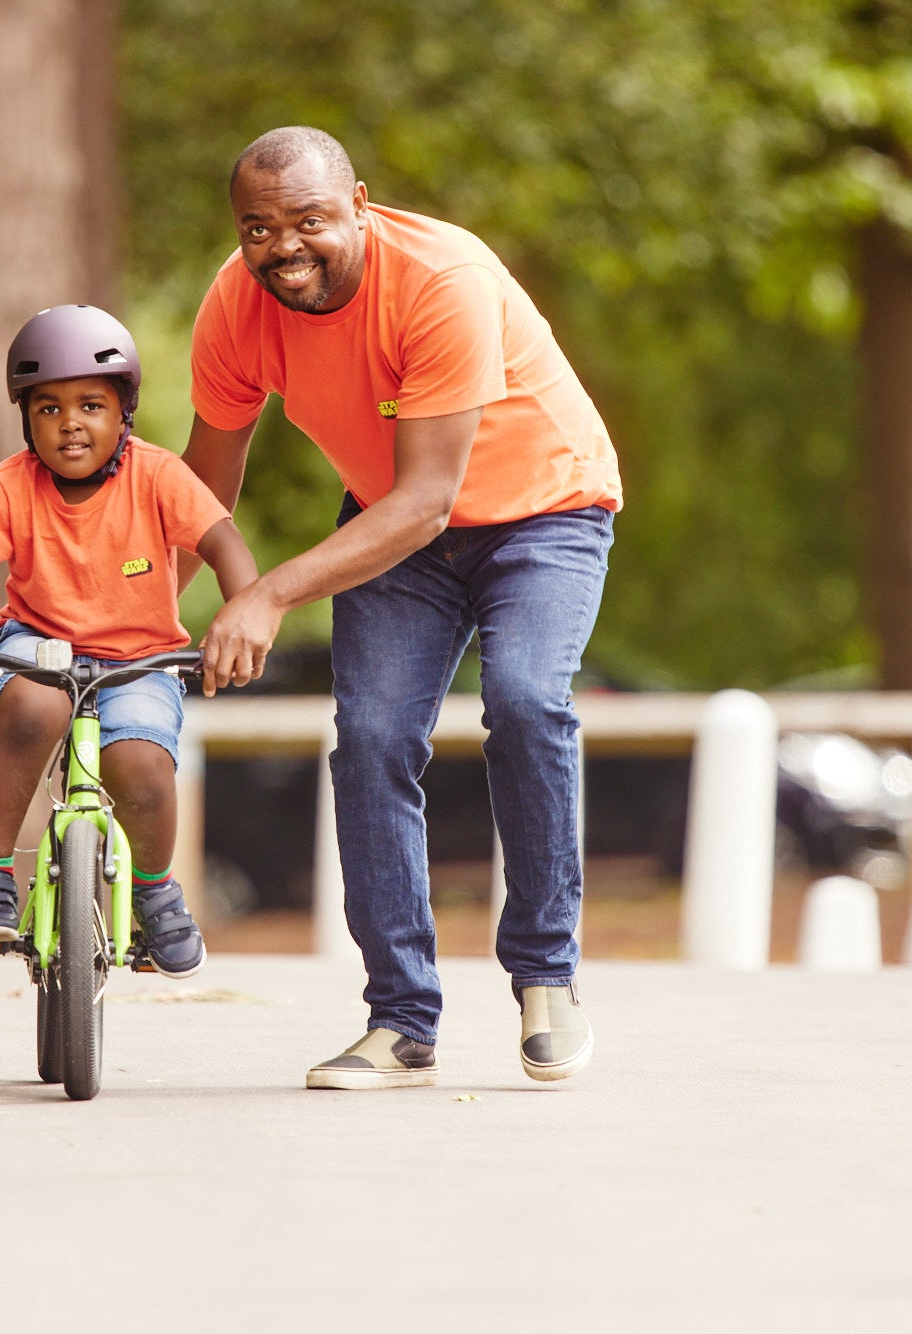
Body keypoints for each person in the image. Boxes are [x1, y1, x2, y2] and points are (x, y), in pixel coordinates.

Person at [186, 127, 623, 1088]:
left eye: (309, 220)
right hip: (395, 522)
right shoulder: (235, 304)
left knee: (524, 699)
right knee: (374, 737)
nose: (283, 246)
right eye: (258, 228)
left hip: (542, 511)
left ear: (361, 205)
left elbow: (430, 500)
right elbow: (200, 490)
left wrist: (265, 595)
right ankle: (401, 1023)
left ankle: (546, 979)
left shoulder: (441, 277)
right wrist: (124, 611)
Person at [0, 304, 259, 978]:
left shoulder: (157, 477)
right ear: (26, 420)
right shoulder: (9, 487)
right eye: (48, 408)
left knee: (142, 767)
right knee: (33, 712)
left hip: (140, 660)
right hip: (41, 649)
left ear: (123, 411)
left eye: (91, 404)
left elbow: (222, 541)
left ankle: (155, 892)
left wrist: (243, 614)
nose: (70, 422)